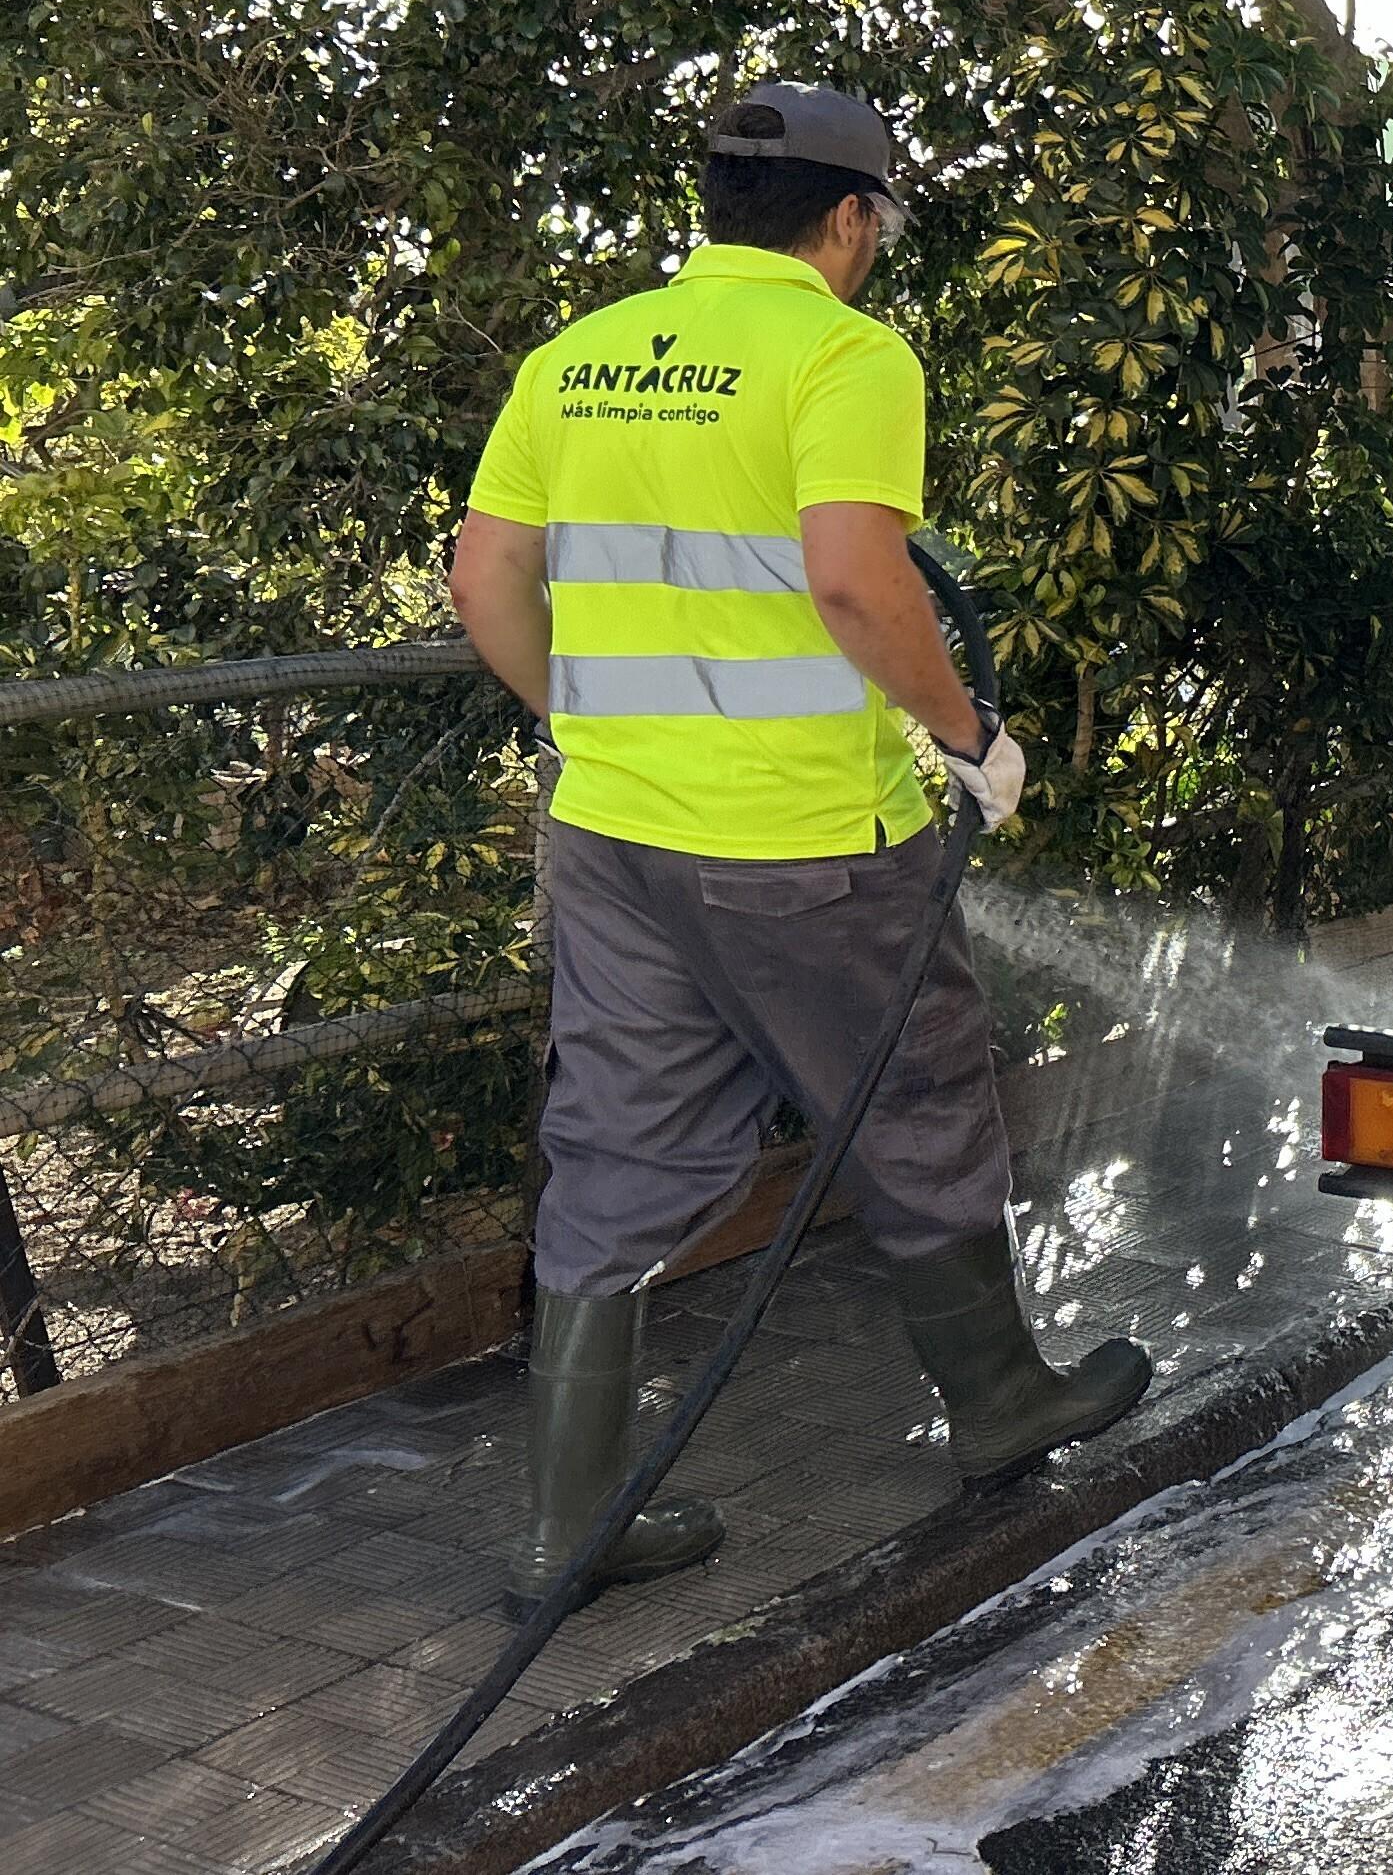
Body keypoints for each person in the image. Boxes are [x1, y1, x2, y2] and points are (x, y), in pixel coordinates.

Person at [449, 82, 1149, 1611]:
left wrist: (585, 714)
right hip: (810, 845)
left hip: (616, 836)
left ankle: (572, 1528)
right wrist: (967, 739)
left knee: (616, 1151)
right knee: (914, 1099)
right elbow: (851, 579)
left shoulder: (582, 357)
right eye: (881, 219)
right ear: (848, 217)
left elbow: (486, 571)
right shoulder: (842, 353)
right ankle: (999, 1403)